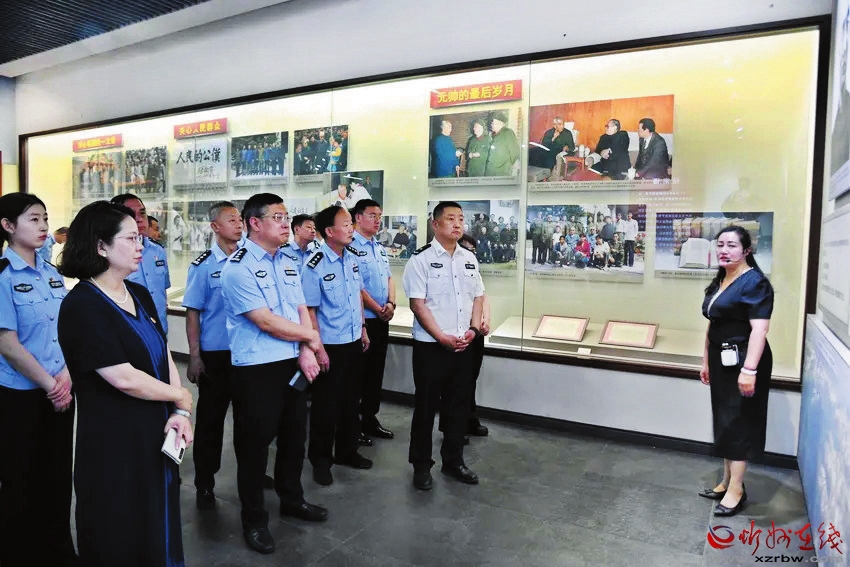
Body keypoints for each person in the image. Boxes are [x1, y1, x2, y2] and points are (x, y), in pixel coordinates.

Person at [57, 200, 194, 566]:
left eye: (141, 236)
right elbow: (122, 377)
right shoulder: (82, 305)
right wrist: (181, 395)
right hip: (114, 441)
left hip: (156, 430)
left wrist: (179, 411)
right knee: (119, 527)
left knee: (158, 521)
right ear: (101, 246)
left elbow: (163, 354)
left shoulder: (139, 293)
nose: (140, 244)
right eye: (131, 238)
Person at [220, 193, 326, 555]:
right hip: (257, 369)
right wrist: (312, 338)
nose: (286, 224)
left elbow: (299, 307)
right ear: (255, 223)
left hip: (292, 362)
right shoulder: (238, 268)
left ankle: (292, 500)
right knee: (254, 449)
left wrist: (307, 349)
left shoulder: (288, 262)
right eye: (278, 217)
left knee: (294, 440)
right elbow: (264, 320)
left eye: (286, 217)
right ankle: (254, 520)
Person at [0, 193, 75, 567]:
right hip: (20, 395)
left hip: (61, 388)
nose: (43, 225)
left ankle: (59, 550)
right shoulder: (3, 276)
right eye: (33, 219)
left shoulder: (51, 273)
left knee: (58, 476)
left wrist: (66, 377)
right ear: (8, 226)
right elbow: (7, 343)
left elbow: (67, 330)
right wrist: (50, 384)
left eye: (45, 218)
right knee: (21, 477)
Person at [402, 201, 485, 491]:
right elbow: (418, 304)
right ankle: (421, 465)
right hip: (432, 347)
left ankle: (453, 461)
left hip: (463, 344)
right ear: (435, 224)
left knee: (458, 406)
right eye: (450, 219)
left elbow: (478, 297)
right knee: (426, 408)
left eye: (460, 218)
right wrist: (441, 337)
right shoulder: (420, 260)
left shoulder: (469, 258)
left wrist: (474, 329)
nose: (457, 223)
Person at [699, 226, 774, 517]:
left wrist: (749, 369)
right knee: (725, 420)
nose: (724, 250)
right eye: (720, 244)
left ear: (746, 250)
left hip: (744, 360)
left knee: (740, 422)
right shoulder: (722, 278)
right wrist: (706, 361)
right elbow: (713, 322)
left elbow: (760, 329)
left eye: (731, 245)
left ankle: (736, 489)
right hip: (721, 359)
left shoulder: (755, 283)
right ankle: (726, 480)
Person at [302, 205, 373, 486]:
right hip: (330, 345)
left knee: (350, 401)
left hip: (353, 340)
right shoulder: (315, 264)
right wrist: (318, 348)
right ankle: (321, 461)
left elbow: (357, 296)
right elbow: (309, 310)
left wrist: (363, 328)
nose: (351, 228)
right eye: (345, 224)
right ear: (329, 231)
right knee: (325, 406)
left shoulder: (351, 258)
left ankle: (347, 451)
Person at [183, 201, 244, 510]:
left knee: (251, 420)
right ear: (215, 227)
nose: (238, 223)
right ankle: (205, 480)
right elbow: (193, 313)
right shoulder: (203, 266)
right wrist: (195, 356)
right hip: (216, 354)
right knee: (211, 422)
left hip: (248, 353)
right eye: (231, 219)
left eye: (240, 218)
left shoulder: (250, 259)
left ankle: (253, 473)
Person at [349, 200, 396, 445]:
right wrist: (377, 309)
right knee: (358, 374)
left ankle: (369, 418)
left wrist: (391, 303)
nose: (378, 220)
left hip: (381, 318)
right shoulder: (350, 247)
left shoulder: (378, 247)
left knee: (376, 371)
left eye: (379, 215)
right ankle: (352, 424)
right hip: (363, 320)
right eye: (372, 215)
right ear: (358, 218)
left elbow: (389, 278)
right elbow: (357, 287)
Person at [111, 194, 171, 335]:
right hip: (129, 333)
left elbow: (162, 291)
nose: (139, 219)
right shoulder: (112, 255)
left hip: (159, 331)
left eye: (142, 213)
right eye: (131, 214)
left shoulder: (158, 251)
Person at [458, 233, 490, 437]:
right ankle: (455, 427)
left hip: (475, 331)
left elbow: (483, 296)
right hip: (459, 332)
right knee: (458, 381)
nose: (470, 253)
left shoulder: (473, 269)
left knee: (471, 378)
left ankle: (469, 419)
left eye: (472, 250)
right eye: (466, 249)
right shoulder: (451, 269)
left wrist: (485, 320)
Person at [484, 111, 520, 176]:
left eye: (493, 123)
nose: (491, 125)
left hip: (501, 172)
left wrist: (507, 166)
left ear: (500, 123)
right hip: (490, 172)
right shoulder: (495, 135)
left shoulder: (507, 133)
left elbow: (515, 152)